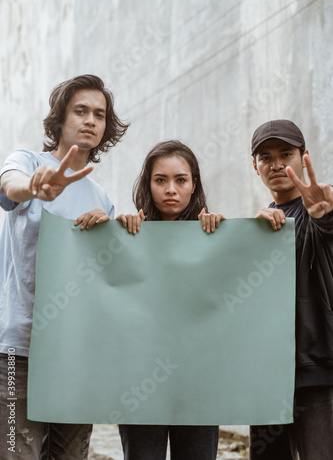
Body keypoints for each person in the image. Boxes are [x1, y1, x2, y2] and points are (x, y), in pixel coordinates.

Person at [0, 74, 129, 459]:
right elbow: (10, 185)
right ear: (59, 119)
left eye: (100, 114)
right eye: (81, 111)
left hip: (75, 354)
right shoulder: (27, 162)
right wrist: (34, 187)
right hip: (17, 351)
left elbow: (104, 280)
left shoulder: (102, 199)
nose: (91, 120)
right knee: (15, 452)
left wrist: (111, 234)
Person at [115, 139, 225, 460]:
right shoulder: (126, 237)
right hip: (141, 383)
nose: (171, 189)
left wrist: (228, 241)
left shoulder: (216, 237)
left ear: (194, 186)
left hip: (198, 384)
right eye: (160, 180)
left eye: (181, 180)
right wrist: (109, 237)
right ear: (147, 186)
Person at [249, 119, 333, 460]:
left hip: (316, 371)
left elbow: (325, 229)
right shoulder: (258, 223)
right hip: (267, 374)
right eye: (265, 157)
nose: (276, 164)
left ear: (304, 157)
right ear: (255, 167)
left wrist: (324, 216)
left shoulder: (319, 207)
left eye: (286, 153)